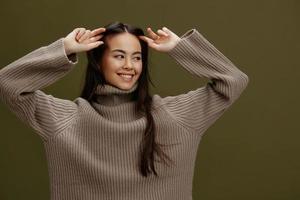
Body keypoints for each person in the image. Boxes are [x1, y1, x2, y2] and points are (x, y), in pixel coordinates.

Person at [0, 21, 249, 200]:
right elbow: (8, 83)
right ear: (98, 61)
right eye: (119, 56)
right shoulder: (66, 120)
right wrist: (64, 49)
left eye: (137, 57)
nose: (129, 66)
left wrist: (180, 47)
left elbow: (233, 81)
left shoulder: (174, 115)